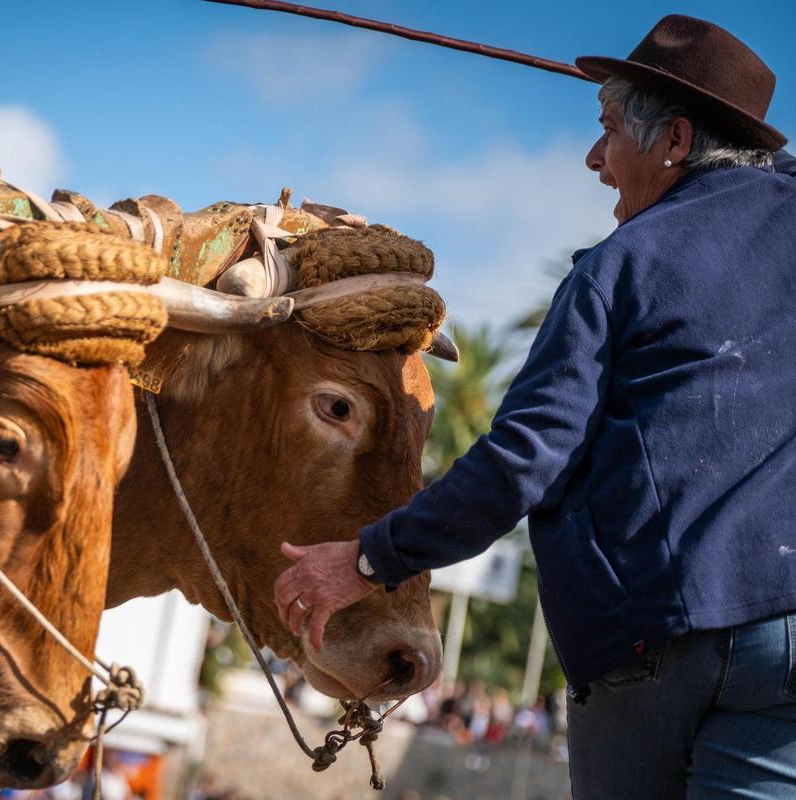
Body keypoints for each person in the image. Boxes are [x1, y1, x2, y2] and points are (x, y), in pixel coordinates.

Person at [274, 14, 796, 798]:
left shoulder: (621, 269)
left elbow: (524, 461)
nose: (594, 159)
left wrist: (368, 557)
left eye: (609, 129)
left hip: (655, 639)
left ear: (677, 142)